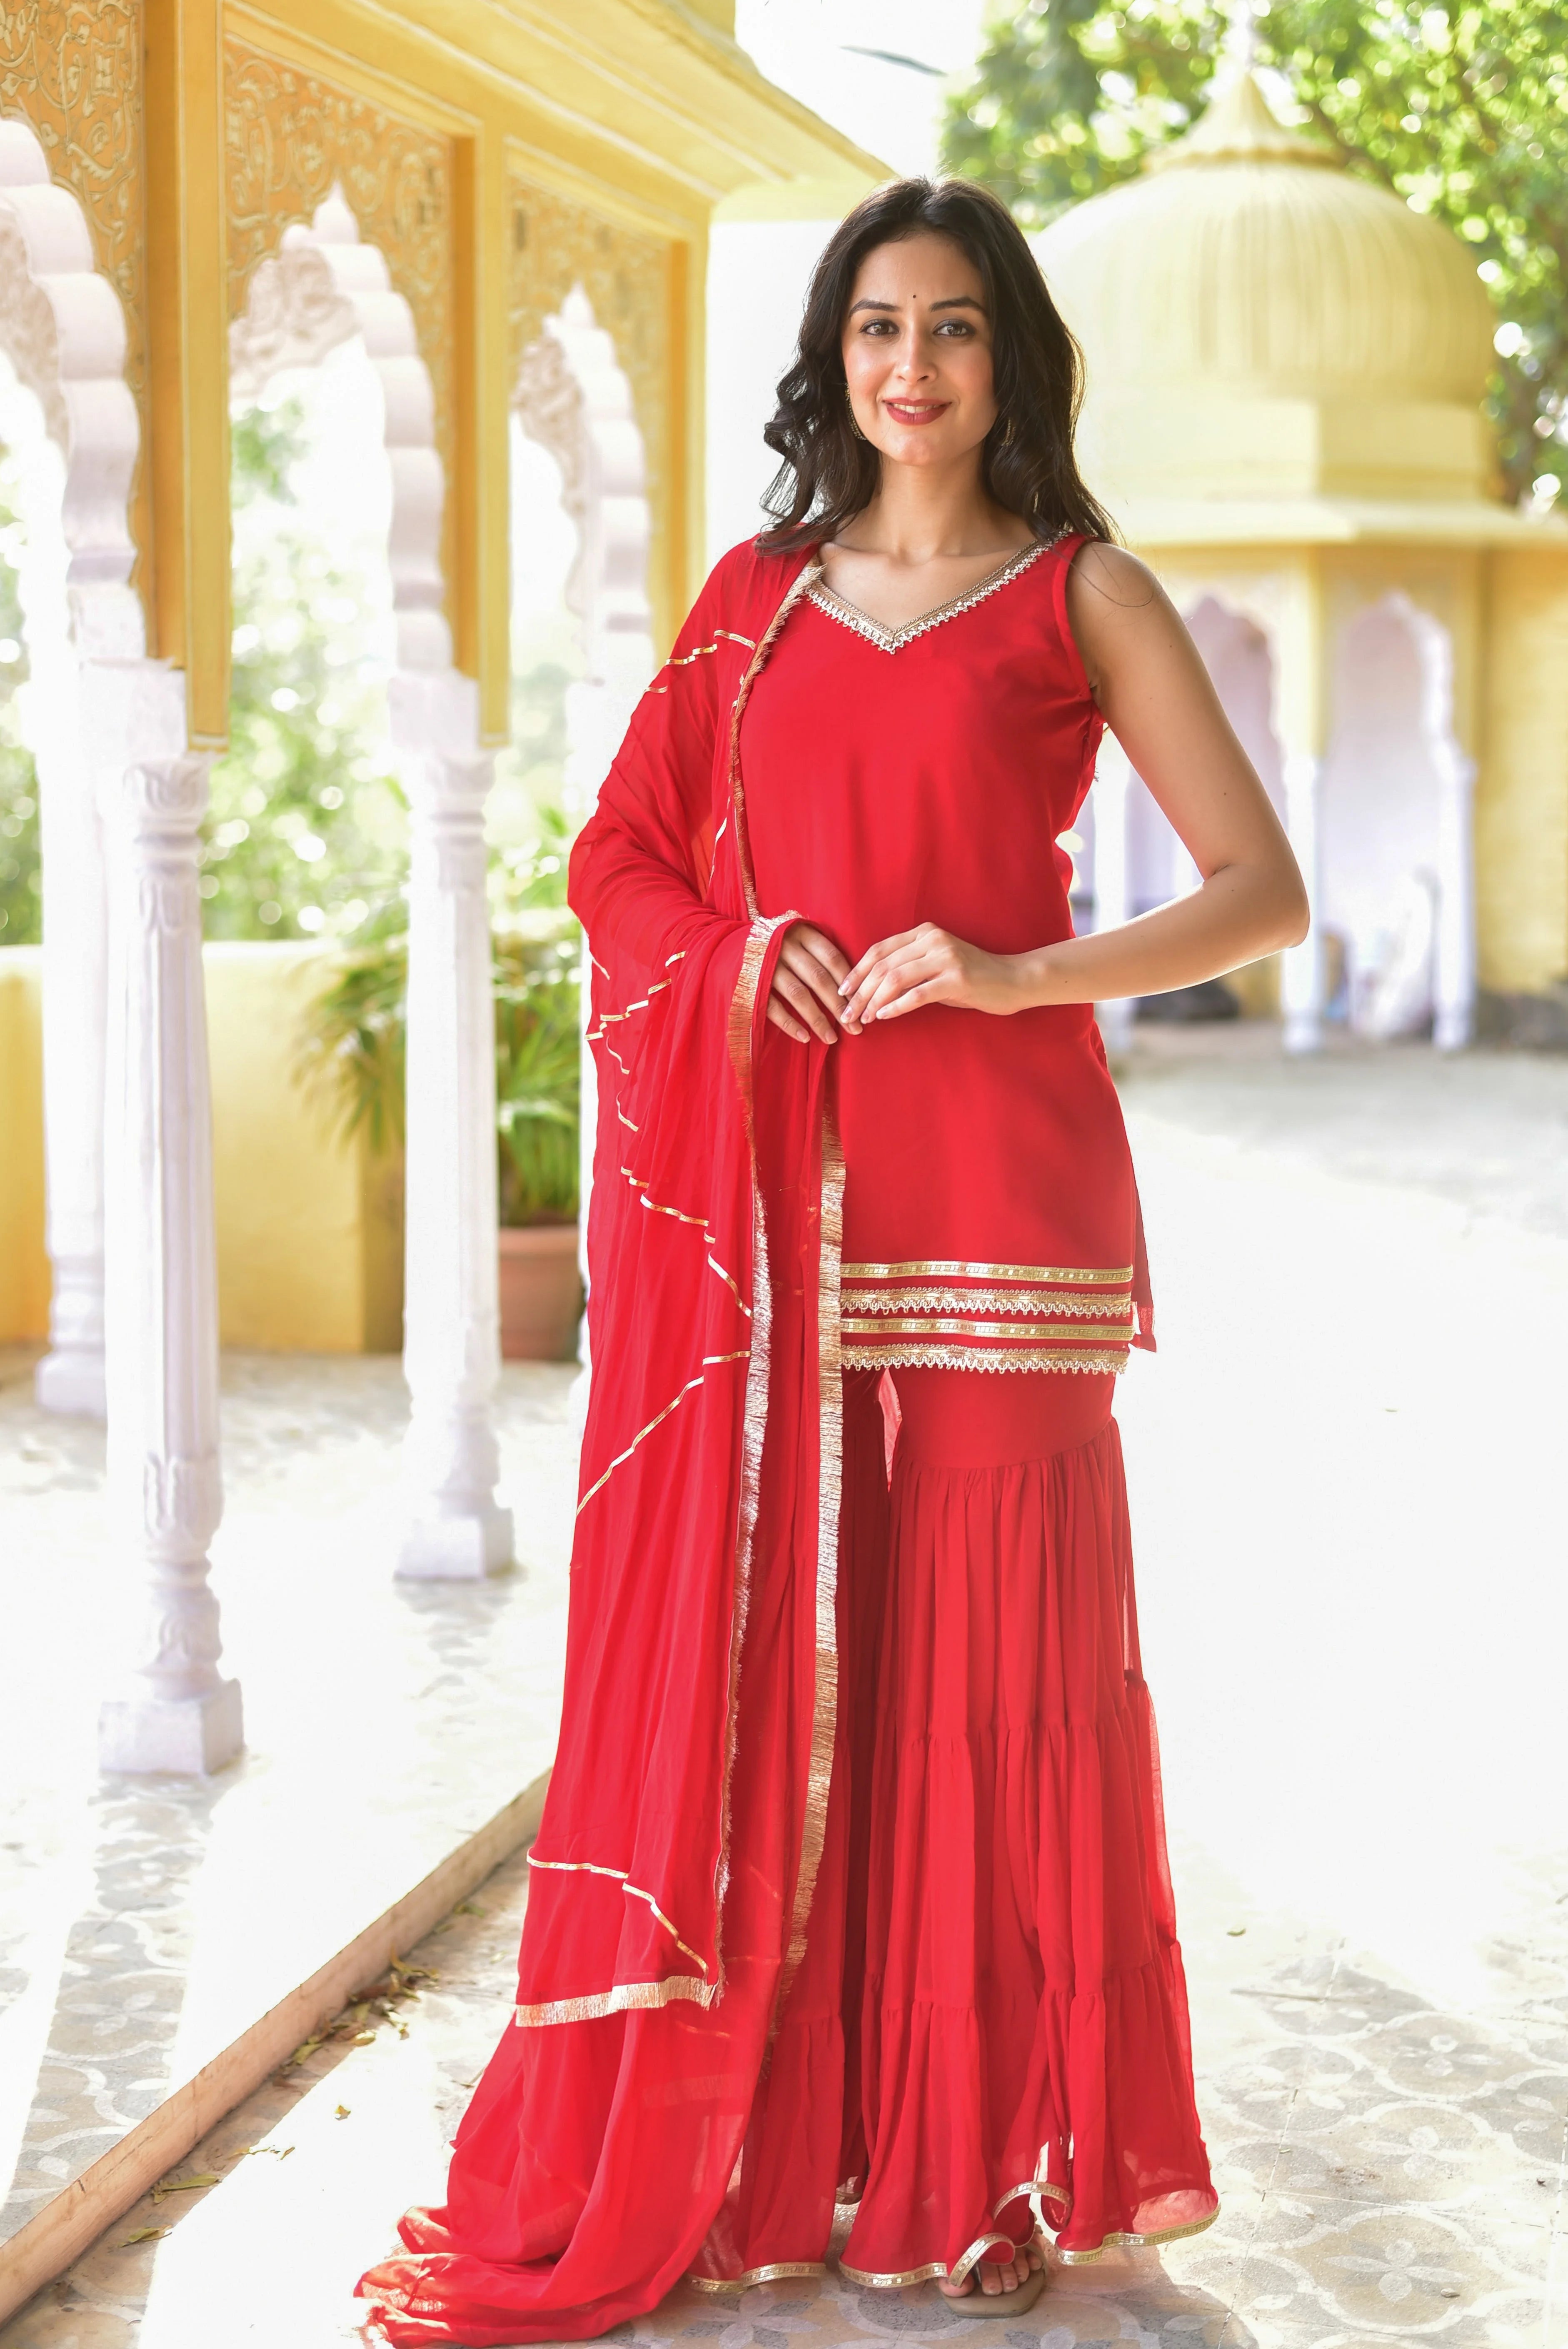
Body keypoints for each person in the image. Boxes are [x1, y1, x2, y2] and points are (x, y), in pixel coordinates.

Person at [359, 176, 1307, 2346]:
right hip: (776, 1212)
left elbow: (1256, 890)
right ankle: (787, 2142)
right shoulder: (751, 605)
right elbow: (618, 856)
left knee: (986, 1681)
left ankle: (984, 2149)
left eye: (953, 325)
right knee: (801, 1664)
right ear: (834, 356)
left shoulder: (1082, 594)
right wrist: (741, 950)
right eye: (878, 325)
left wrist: (1012, 970)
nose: (912, 364)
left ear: (1010, 357)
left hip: (1003, 1205)